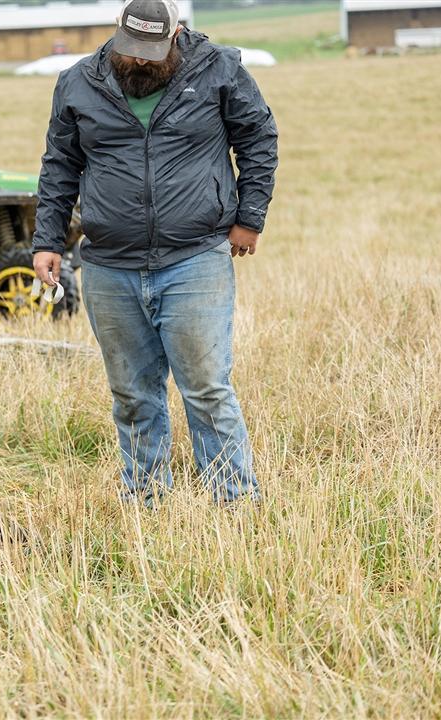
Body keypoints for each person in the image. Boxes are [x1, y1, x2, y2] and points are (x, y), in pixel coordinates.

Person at [32, 0, 278, 504]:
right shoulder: (78, 82)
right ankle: (146, 502)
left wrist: (249, 218)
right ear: (116, 34)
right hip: (108, 265)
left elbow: (258, 138)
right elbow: (59, 164)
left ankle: (234, 502)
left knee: (207, 390)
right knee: (131, 394)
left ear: (177, 35)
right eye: (131, 50)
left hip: (195, 257)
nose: (140, 61)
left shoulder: (220, 69)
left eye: (151, 51)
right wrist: (47, 240)